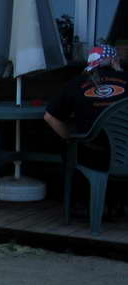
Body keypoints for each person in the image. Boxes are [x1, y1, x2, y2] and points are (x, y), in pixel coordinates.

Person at [44, 44, 127, 217]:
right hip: (126, 155)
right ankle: (116, 203)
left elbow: (49, 117)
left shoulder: (76, 84)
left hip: (95, 157)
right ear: (114, 61)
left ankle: (84, 203)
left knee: (71, 149)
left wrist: (69, 139)